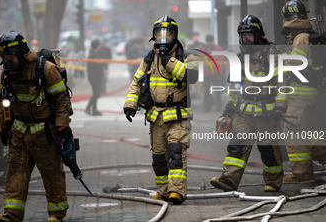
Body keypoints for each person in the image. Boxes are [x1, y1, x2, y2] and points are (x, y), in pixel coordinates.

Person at [0, 31, 71, 222]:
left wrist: (62, 126)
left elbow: (62, 101)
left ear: (21, 52)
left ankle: (56, 214)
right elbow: (4, 101)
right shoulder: (8, 73)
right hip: (20, 133)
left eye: (10, 56)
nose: (7, 61)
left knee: (51, 173)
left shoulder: (46, 69)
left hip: (44, 134)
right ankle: (11, 215)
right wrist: (3, 126)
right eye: (4, 58)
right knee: (15, 173)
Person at [123, 15, 198, 205]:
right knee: (158, 158)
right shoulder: (149, 58)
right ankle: (163, 191)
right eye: (159, 34)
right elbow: (136, 83)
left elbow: (192, 76)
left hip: (177, 117)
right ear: (153, 36)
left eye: (167, 34)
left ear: (175, 36)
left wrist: (168, 61)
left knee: (176, 154)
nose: (163, 39)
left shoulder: (186, 56)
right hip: (156, 117)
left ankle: (177, 191)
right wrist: (130, 104)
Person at [210, 15, 288, 192]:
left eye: (250, 36)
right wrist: (228, 110)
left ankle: (274, 182)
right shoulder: (239, 58)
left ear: (259, 35)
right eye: (243, 36)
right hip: (244, 112)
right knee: (236, 146)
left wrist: (280, 108)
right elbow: (235, 89)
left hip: (266, 113)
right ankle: (229, 179)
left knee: (267, 150)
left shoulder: (272, 55)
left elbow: (282, 83)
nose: (246, 40)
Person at [281, 0, 326, 182]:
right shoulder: (307, 35)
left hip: (301, 92)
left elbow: (294, 64)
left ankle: (302, 174)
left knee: (292, 131)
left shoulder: (301, 38)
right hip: (304, 92)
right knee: (300, 130)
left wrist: (281, 58)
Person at [201, 34, 224, 112]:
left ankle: (218, 106)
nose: (209, 43)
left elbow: (221, 59)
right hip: (206, 73)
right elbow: (200, 59)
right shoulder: (203, 50)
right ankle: (207, 107)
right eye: (208, 42)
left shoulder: (219, 49)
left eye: (210, 42)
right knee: (207, 90)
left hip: (217, 73)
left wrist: (213, 58)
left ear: (213, 42)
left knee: (218, 90)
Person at [85, 38, 104, 116]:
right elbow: (98, 65)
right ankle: (88, 107)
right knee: (96, 93)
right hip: (94, 78)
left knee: (96, 93)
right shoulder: (92, 54)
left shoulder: (94, 53)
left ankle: (94, 110)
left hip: (96, 77)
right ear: (98, 46)